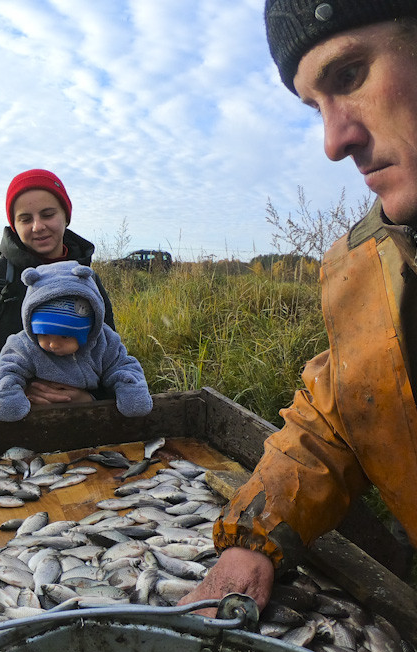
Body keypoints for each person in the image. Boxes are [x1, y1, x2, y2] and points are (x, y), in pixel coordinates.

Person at [180, 1, 417, 615]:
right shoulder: (362, 266)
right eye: (315, 106)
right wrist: (252, 541)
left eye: (350, 76)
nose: (335, 142)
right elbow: (343, 410)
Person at [0, 168, 116, 412]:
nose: (38, 226)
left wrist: (89, 399)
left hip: (76, 416)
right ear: (14, 225)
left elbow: (110, 356)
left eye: (48, 214)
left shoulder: (87, 280)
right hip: (5, 413)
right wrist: (15, 387)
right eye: (25, 219)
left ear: (66, 217)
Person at [0, 261, 152, 422]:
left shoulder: (103, 342)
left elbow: (122, 365)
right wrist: (9, 396)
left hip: (90, 415)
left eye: (64, 336)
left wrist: (131, 391)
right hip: (38, 417)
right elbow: (7, 370)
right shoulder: (24, 345)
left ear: (87, 330)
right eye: (43, 335)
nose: (52, 344)